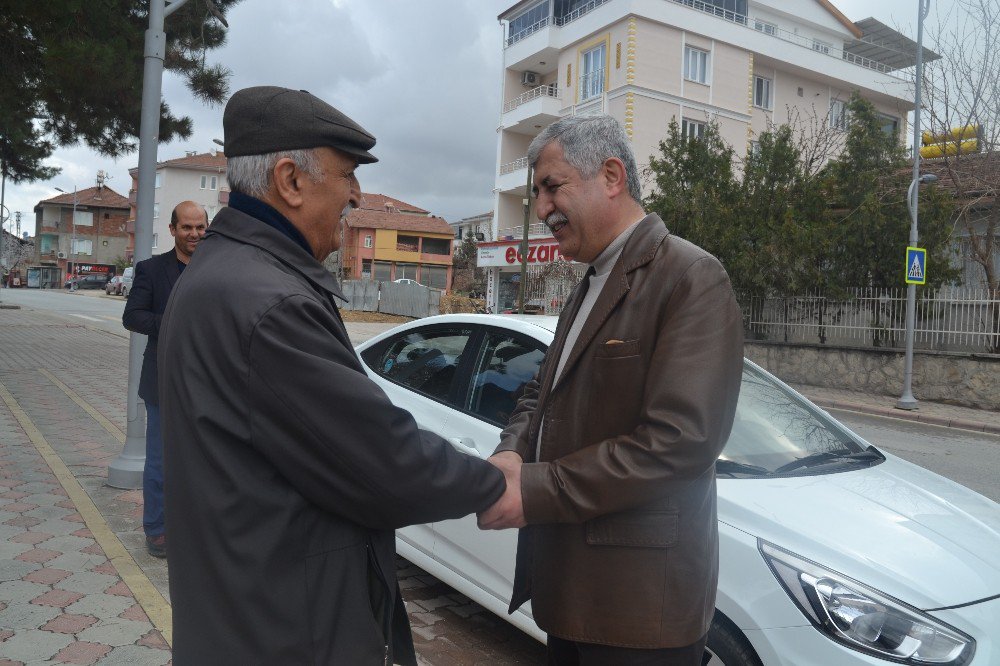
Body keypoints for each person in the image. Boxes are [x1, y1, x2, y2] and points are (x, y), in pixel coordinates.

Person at [156, 86, 509, 665]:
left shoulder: (226, 273)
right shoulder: (268, 304)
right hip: (287, 631)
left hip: (242, 611)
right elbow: (382, 461)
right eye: (345, 174)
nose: (356, 196)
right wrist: (495, 484)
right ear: (291, 181)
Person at [478, 115, 744, 665]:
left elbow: (679, 442)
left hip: (639, 614)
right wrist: (511, 453)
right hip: (573, 596)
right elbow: (542, 391)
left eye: (553, 187)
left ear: (612, 175)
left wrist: (535, 489)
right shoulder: (589, 283)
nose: (543, 208)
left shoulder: (692, 277)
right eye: (537, 194)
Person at [122, 200, 207, 558]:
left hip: (208, 382)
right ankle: (156, 529)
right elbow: (133, 316)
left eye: (200, 227)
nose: (194, 234)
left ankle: (197, 528)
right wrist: (173, 325)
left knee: (203, 461)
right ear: (172, 230)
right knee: (159, 460)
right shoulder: (151, 270)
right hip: (163, 381)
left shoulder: (217, 268)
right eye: (187, 227)